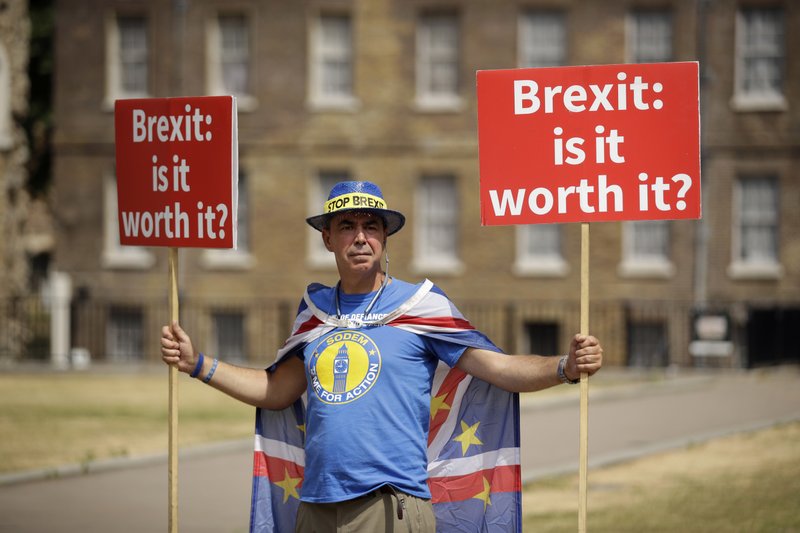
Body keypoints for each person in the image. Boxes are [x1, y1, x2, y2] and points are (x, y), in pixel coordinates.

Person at [161, 180, 603, 533]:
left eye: (371, 226)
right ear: (327, 238)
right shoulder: (313, 314)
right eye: (347, 227)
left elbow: (499, 368)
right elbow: (276, 391)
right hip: (314, 505)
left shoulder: (421, 306)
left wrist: (563, 367)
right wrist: (199, 364)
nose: (360, 238)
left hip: (388, 505)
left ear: (385, 237)